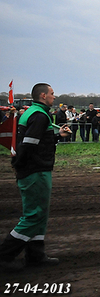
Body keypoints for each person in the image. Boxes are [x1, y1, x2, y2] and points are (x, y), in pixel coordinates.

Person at [0, 83, 69, 272]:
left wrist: (57, 136)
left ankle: (36, 255)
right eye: (52, 94)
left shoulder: (32, 113)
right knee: (34, 215)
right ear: (43, 95)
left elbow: (36, 141)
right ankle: (4, 255)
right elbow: (29, 145)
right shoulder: (39, 115)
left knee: (40, 214)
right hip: (35, 171)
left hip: (34, 169)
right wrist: (20, 166)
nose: (55, 97)